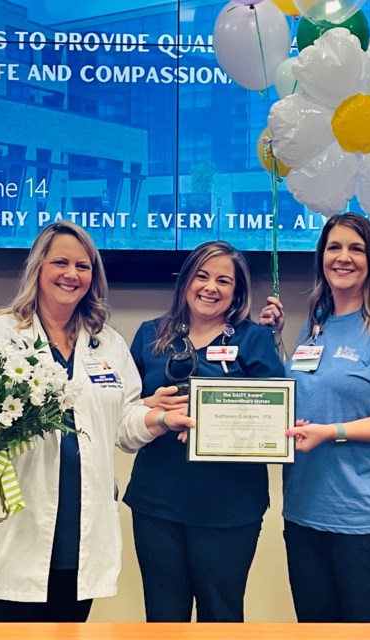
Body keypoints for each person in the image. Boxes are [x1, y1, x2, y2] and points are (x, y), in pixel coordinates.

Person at [0, 221, 193, 623]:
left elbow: (122, 421)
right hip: (10, 529)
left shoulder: (106, 341)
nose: (72, 275)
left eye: (83, 266)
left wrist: (158, 418)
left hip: (77, 535)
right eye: (61, 263)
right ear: (38, 267)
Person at [258, 212, 370, 623]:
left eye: (356, 248)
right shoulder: (317, 324)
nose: (343, 257)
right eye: (334, 247)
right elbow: (299, 395)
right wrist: (275, 340)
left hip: (363, 518)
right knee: (314, 630)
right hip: (304, 510)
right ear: (322, 257)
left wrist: (332, 432)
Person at [123, 240, 286, 622]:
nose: (210, 287)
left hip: (229, 507)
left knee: (222, 617)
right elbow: (123, 408)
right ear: (186, 282)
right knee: (163, 619)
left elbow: (275, 416)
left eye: (223, 280)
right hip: (157, 503)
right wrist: (151, 407)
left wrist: (212, 416)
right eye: (201, 275)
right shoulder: (150, 335)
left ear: (237, 292)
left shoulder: (254, 339)